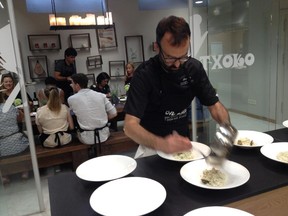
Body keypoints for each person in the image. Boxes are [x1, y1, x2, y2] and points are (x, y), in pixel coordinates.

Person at [123, 16, 232, 158]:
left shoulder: (194, 68)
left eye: (183, 56)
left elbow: (214, 105)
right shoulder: (144, 74)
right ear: (157, 47)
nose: (177, 64)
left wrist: (227, 128)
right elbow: (129, 126)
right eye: (169, 57)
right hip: (152, 149)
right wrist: (162, 144)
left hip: (184, 146)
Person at [68, 73, 117, 151]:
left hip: (86, 137)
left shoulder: (71, 99)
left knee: (73, 132)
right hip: (103, 134)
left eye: (72, 83)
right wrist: (103, 118)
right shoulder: (101, 95)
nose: (71, 85)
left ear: (77, 85)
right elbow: (114, 113)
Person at [0, 91, 29, 184]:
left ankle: (5, 175)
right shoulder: (10, 107)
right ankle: (24, 170)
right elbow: (20, 118)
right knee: (27, 141)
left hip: (2, 147)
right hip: (17, 142)